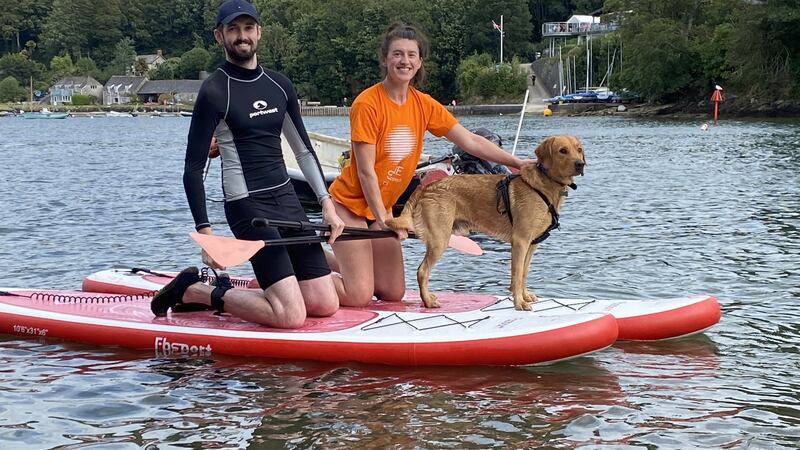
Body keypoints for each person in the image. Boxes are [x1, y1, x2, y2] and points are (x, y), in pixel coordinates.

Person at [150, 0, 345, 328]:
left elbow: (303, 152)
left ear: (259, 32)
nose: (242, 36)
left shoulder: (279, 85)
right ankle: (197, 291)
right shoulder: (214, 91)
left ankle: (269, 289)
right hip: (248, 206)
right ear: (219, 36)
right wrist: (206, 234)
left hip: (287, 200)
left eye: (248, 28)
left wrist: (326, 203)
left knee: (325, 304)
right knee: (290, 316)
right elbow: (193, 169)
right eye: (233, 29)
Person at [327, 23, 533, 307]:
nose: (405, 61)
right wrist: (385, 220)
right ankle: (308, 270)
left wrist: (517, 162)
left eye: (411, 55)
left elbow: (471, 141)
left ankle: (341, 262)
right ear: (384, 59)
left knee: (392, 292)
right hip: (350, 205)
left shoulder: (423, 105)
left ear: (420, 61)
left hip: (381, 208)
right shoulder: (368, 104)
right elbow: (365, 171)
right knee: (358, 295)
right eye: (397, 54)